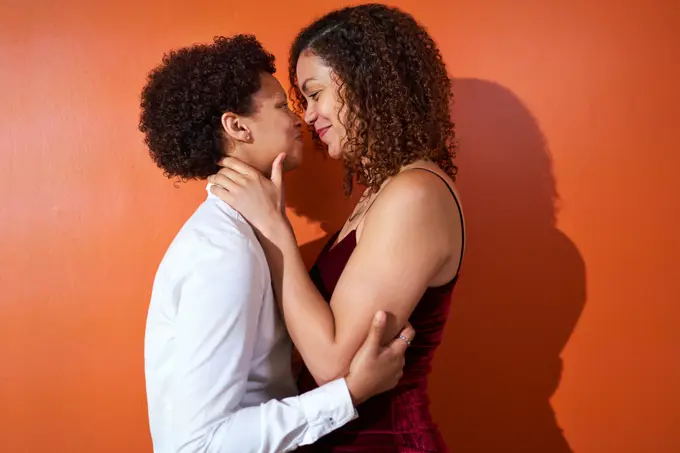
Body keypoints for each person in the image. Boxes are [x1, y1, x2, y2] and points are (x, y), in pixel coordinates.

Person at [139, 34, 414, 453]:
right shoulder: (224, 250)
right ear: (237, 126)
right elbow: (197, 445)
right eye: (283, 106)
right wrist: (350, 392)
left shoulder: (250, 234)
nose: (300, 119)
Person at [208, 4, 465, 452]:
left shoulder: (414, 196)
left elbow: (332, 364)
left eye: (315, 93)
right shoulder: (381, 193)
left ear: (368, 84)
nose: (307, 116)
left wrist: (274, 227)